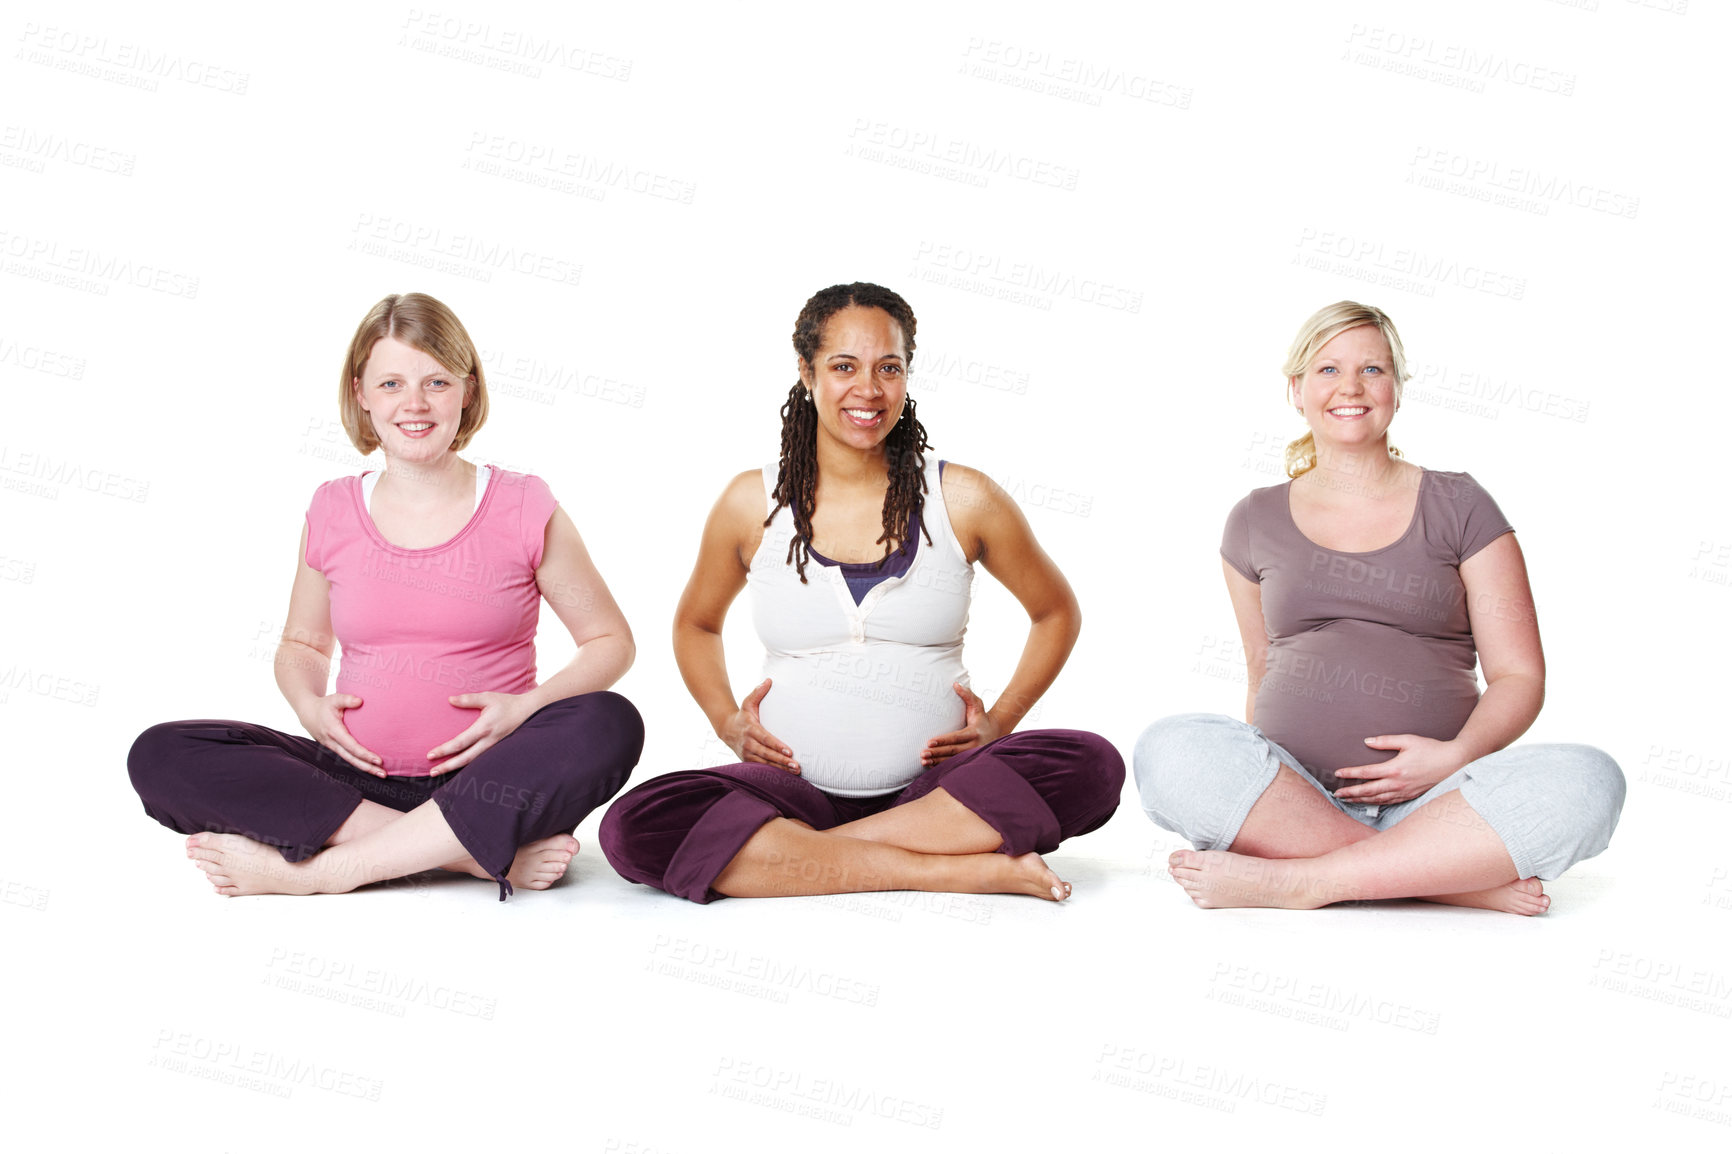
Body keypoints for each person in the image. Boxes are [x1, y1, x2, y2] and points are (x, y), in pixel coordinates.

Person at [599, 282, 1122, 903]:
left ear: (907, 374)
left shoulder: (964, 497)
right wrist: (725, 720)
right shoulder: (750, 502)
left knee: (1090, 765)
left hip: (938, 791)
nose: (868, 390)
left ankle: (806, 858)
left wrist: (1000, 723)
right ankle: (943, 869)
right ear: (806, 372)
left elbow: (1054, 612)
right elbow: (697, 624)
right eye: (843, 366)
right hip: (792, 791)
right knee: (636, 825)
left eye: (888, 368)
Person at [128, 293, 643, 899]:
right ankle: (466, 857)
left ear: (468, 391)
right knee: (161, 753)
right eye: (392, 382)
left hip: (488, 782)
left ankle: (329, 871)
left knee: (609, 722)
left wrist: (525, 709)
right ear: (362, 394)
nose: (415, 404)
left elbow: (610, 641)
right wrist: (308, 707)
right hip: (353, 783)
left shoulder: (525, 505)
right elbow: (302, 643)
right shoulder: (331, 507)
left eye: (436, 381)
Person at [1134, 301, 1623, 915]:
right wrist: (1265, 795)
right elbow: (1262, 669)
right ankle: (1442, 880)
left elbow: (1519, 676)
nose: (1352, 387)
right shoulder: (1253, 519)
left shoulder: (1462, 505)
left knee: (1590, 780)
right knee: (1168, 748)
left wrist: (1455, 756)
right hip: (1298, 797)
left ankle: (1305, 881)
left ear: (1397, 387)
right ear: (1297, 389)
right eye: (1329, 370)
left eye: (1373, 369)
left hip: (1443, 800)